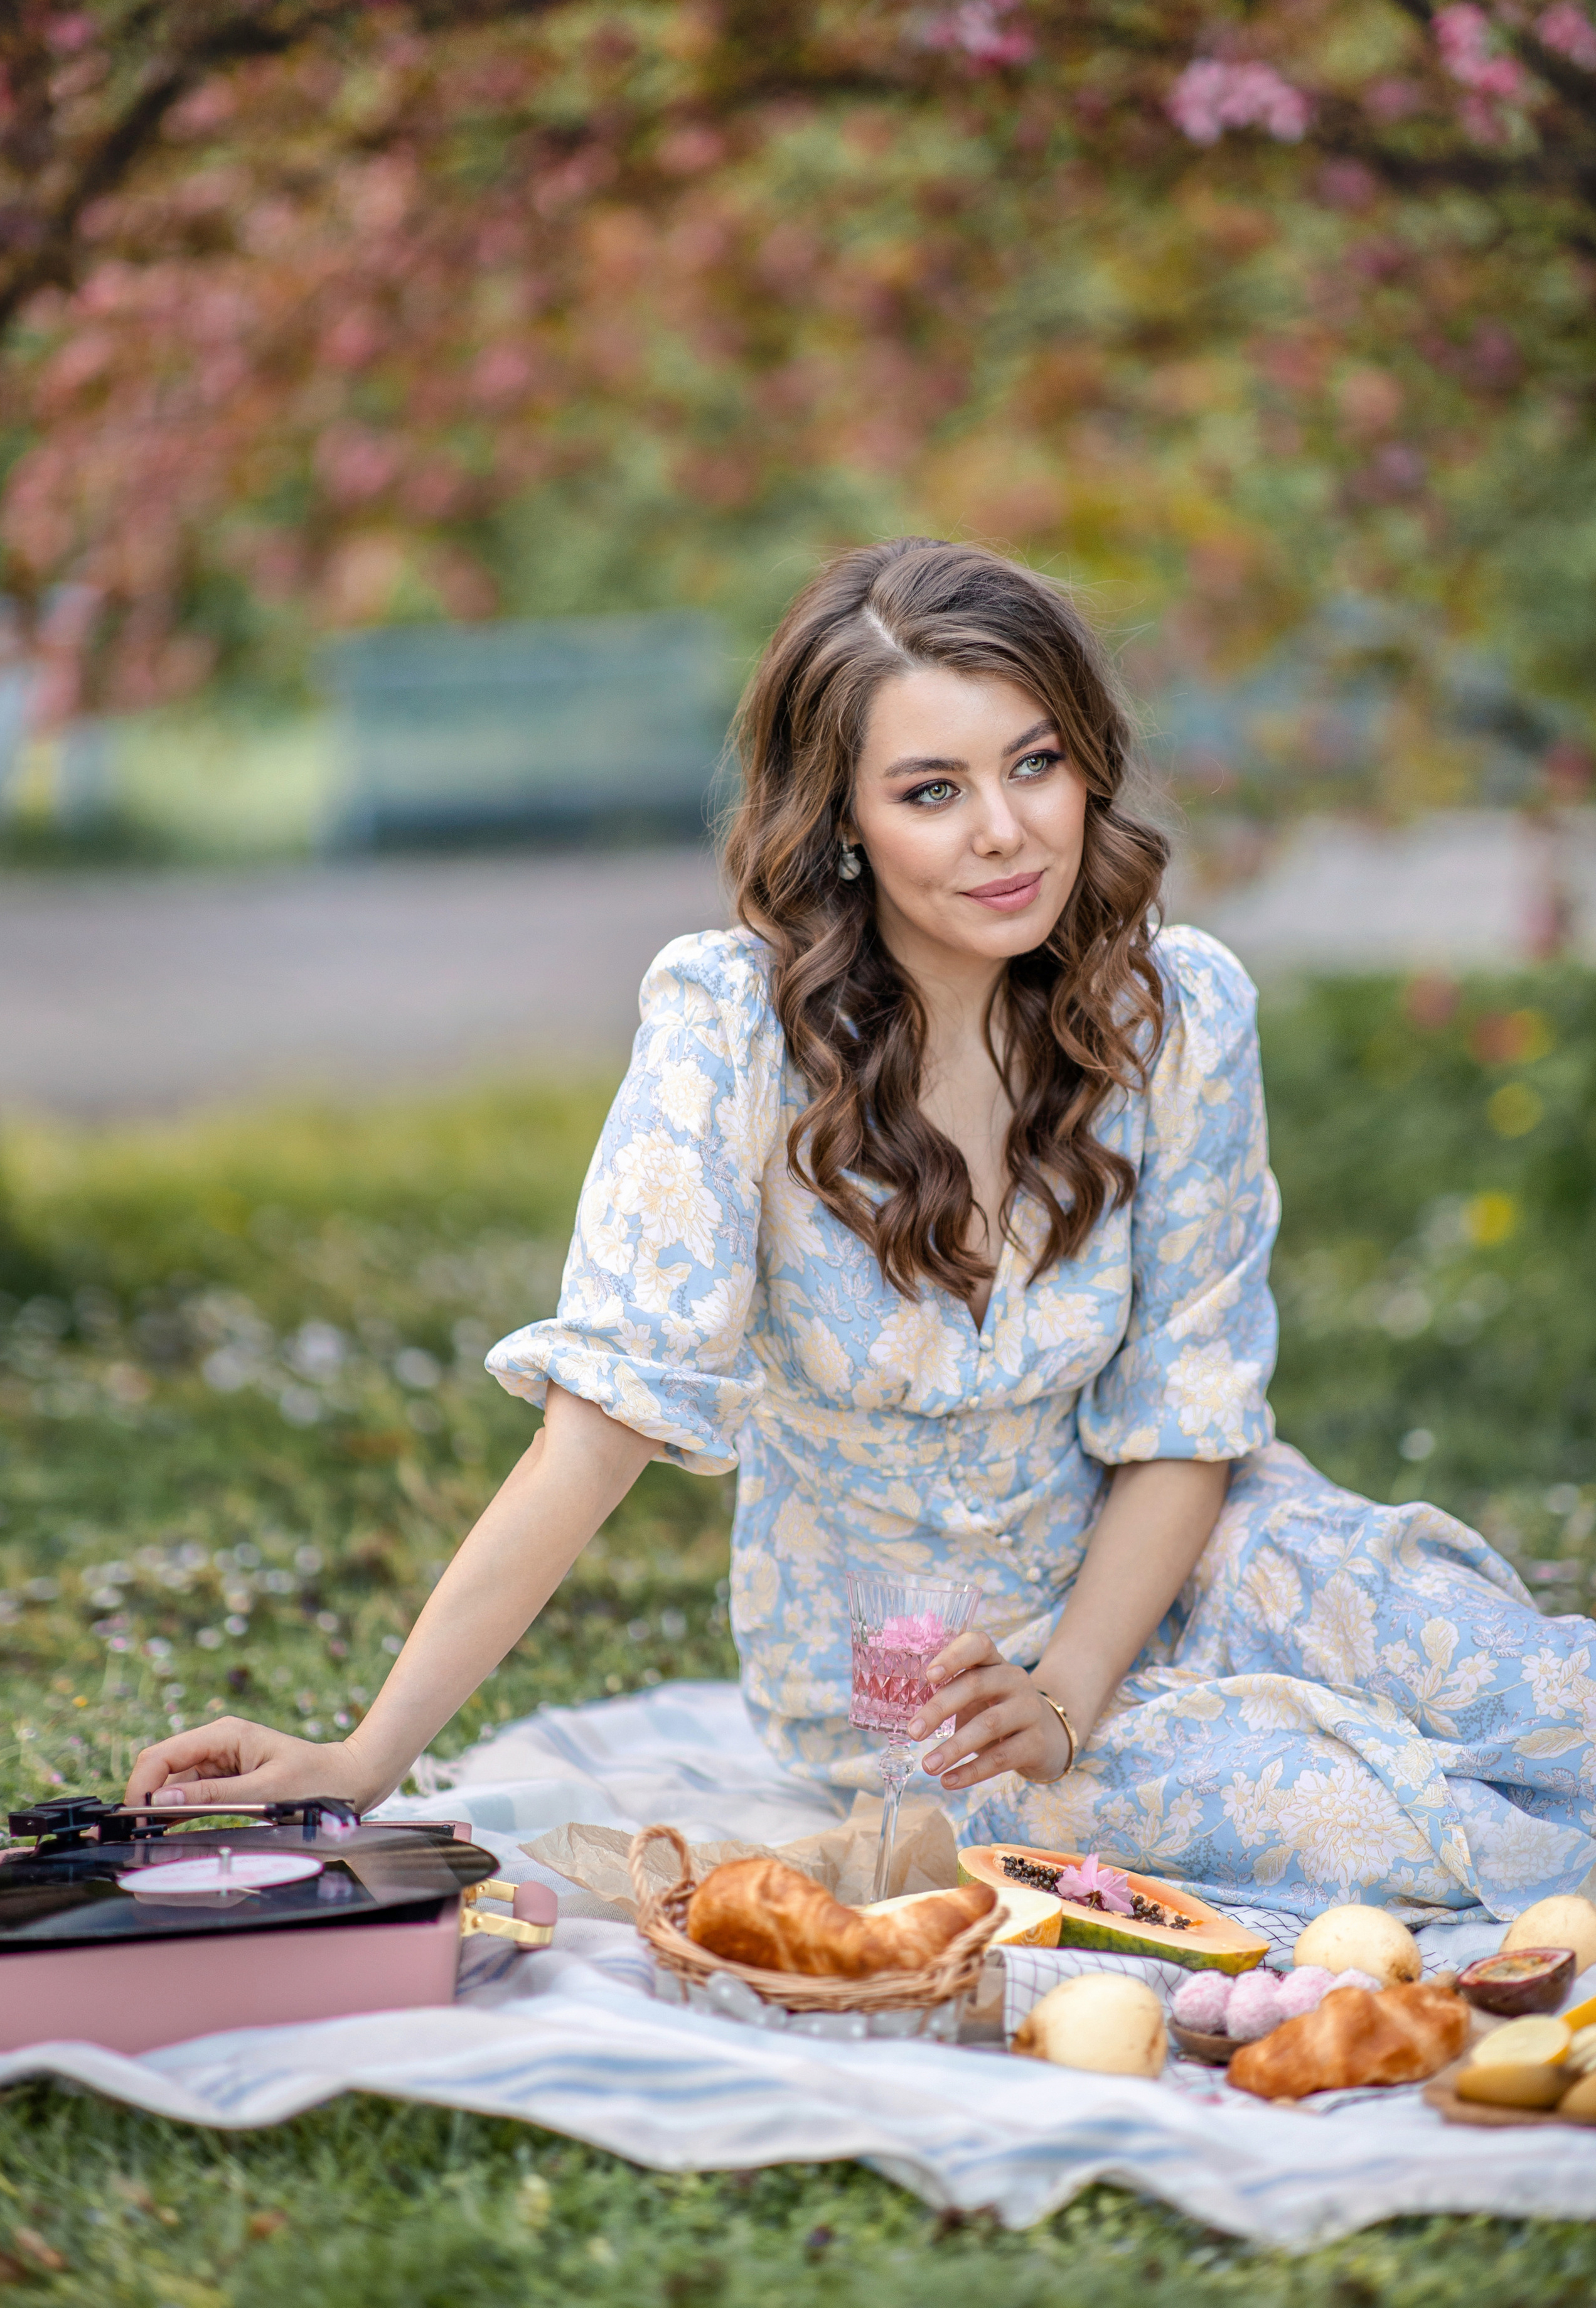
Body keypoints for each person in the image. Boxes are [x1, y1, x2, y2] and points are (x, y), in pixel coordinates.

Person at [127, 540, 1596, 1918]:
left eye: (1033, 763)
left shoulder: (1177, 1012)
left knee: (1519, 1692)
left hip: (1182, 1551)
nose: (1006, 830)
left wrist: (1077, 1682)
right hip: (914, 1681)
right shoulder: (731, 1032)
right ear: (842, 815)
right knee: (1390, 1824)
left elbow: (1185, 1416)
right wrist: (361, 1758)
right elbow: (599, 1427)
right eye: (931, 789)